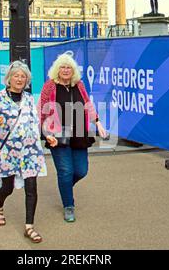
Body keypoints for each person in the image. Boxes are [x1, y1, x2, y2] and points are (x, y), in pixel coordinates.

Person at [37, 52, 108, 222]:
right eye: (62, 67)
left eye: (69, 67)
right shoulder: (50, 86)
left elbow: (88, 104)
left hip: (79, 133)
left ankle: (65, 186)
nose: (66, 70)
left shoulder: (79, 85)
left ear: (73, 70)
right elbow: (41, 110)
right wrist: (43, 132)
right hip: (57, 135)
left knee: (81, 170)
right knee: (66, 171)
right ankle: (69, 205)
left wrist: (97, 122)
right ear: (57, 69)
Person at [0, 60, 47, 243]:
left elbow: (34, 123)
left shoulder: (29, 98)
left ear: (27, 80)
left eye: (23, 76)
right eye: (16, 76)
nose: (20, 79)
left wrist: (45, 136)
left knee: (32, 188)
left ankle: (29, 227)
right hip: (9, 152)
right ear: (9, 78)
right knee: (7, 187)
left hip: (30, 152)